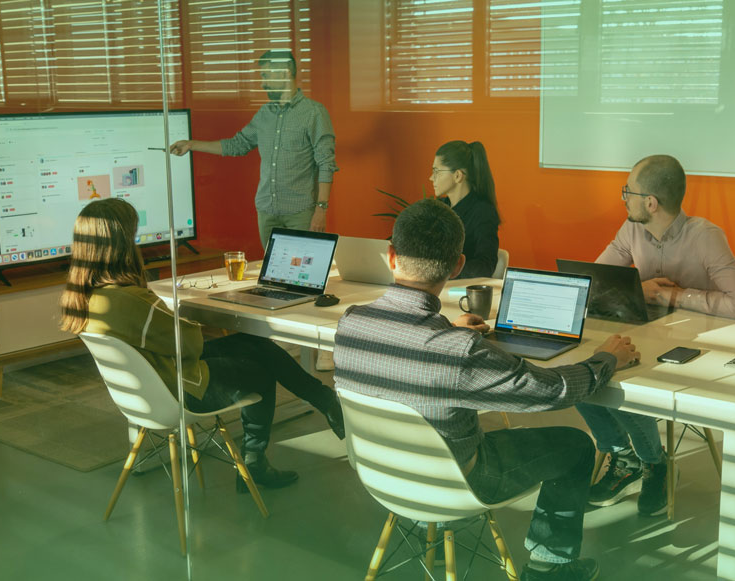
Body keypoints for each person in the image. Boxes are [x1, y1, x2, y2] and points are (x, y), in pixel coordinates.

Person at [333, 198, 641, 581]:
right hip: (457, 483)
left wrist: (449, 331)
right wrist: (606, 358)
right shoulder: (459, 352)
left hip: (379, 474)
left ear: (392, 255)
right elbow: (554, 391)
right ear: (458, 264)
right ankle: (550, 567)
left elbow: (414, 350)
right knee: (577, 446)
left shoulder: (352, 324)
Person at [59, 198, 344, 491]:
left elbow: (173, 341)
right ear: (121, 246)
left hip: (153, 383)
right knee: (260, 369)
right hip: (180, 386)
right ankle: (255, 464)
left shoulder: (83, 295)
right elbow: (191, 344)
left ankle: (325, 400)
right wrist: (189, 322)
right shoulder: (130, 300)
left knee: (251, 343)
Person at [580, 154, 735, 516]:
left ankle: (655, 464)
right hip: (646, 336)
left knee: (625, 381)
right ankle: (623, 456)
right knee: (581, 373)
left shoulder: (706, 237)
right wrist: (638, 290)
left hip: (695, 349)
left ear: (651, 202)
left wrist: (670, 296)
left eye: (627, 191)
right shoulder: (631, 230)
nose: (623, 198)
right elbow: (593, 283)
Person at [169, 50, 337, 250]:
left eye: (266, 76)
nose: (262, 83)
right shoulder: (264, 114)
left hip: (300, 213)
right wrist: (191, 144)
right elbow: (237, 144)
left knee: (300, 275)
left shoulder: (314, 113)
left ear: (284, 73)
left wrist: (321, 209)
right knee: (272, 273)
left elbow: (326, 163)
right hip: (267, 212)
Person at [431, 140, 501, 278]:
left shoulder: (483, 212)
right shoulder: (437, 208)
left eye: (436, 172)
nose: (431, 178)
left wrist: (444, 271)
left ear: (457, 175)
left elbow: (485, 266)